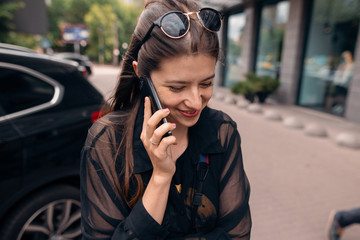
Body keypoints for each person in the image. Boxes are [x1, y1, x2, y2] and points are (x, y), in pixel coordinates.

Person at [80, 0, 251, 239]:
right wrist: (161, 176)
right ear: (141, 74)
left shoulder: (222, 131)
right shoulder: (107, 141)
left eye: (206, 83)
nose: (195, 101)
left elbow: (238, 234)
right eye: (177, 87)